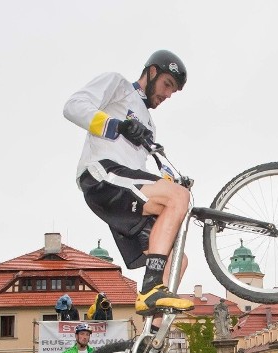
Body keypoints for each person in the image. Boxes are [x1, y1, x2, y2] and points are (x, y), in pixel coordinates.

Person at [64, 50, 194, 317]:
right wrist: (117, 125)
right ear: (152, 72)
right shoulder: (119, 86)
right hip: (102, 175)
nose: (168, 94)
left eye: (174, 92)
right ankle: (151, 290)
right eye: (167, 84)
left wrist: (171, 181)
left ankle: (151, 339)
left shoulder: (150, 124)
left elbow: (139, 171)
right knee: (178, 197)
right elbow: (73, 106)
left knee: (177, 259)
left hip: (124, 187)